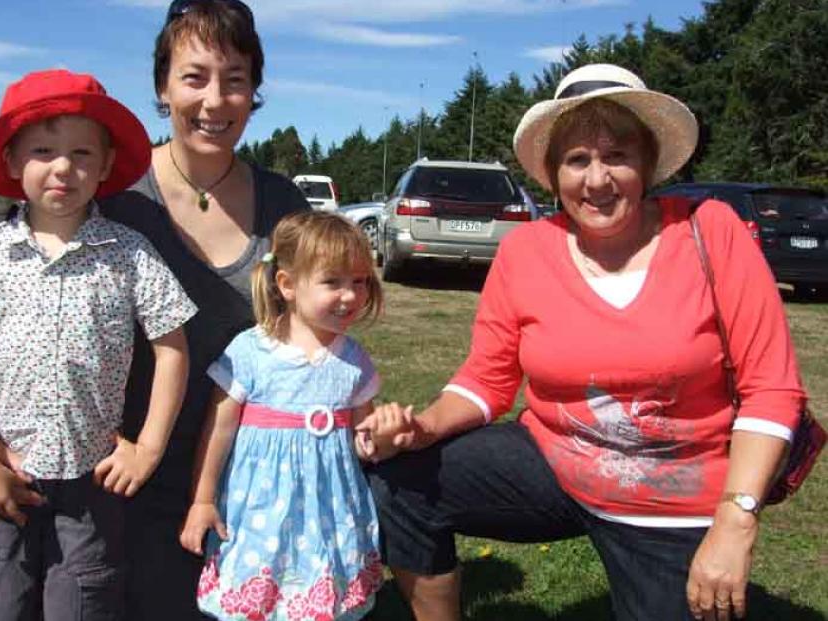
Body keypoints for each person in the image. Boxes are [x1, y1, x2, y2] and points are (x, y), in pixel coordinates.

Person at [365, 64, 807, 621]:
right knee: (401, 478)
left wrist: (735, 522)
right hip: (554, 464)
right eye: (577, 160)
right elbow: (488, 378)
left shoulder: (709, 230)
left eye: (616, 156)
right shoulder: (526, 249)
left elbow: (771, 389)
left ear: (646, 163)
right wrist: (423, 429)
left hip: (674, 503)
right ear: (554, 175)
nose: (597, 180)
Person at [0, 69, 196, 620]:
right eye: (43, 150)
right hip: (8, 473)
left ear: (104, 165)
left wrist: (147, 447)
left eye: (80, 153)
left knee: (82, 603)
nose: (62, 167)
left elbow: (173, 349)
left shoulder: (130, 252)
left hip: (93, 482)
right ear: (11, 161)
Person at [97, 0, 310, 617]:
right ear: (163, 86)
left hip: (253, 475)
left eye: (235, 79)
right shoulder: (113, 198)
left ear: (254, 91)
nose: (215, 101)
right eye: (194, 77)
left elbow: (317, 333)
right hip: (132, 473)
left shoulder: (285, 203)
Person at [178, 211, 410, 621]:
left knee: (322, 593)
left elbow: (362, 438)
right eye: (333, 282)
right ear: (287, 285)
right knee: (261, 595)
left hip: (330, 507)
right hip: (260, 506)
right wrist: (202, 499)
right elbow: (218, 430)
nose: (350, 295)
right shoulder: (250, 352)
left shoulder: (353, 360)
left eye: (359, 281)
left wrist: (382, 437)